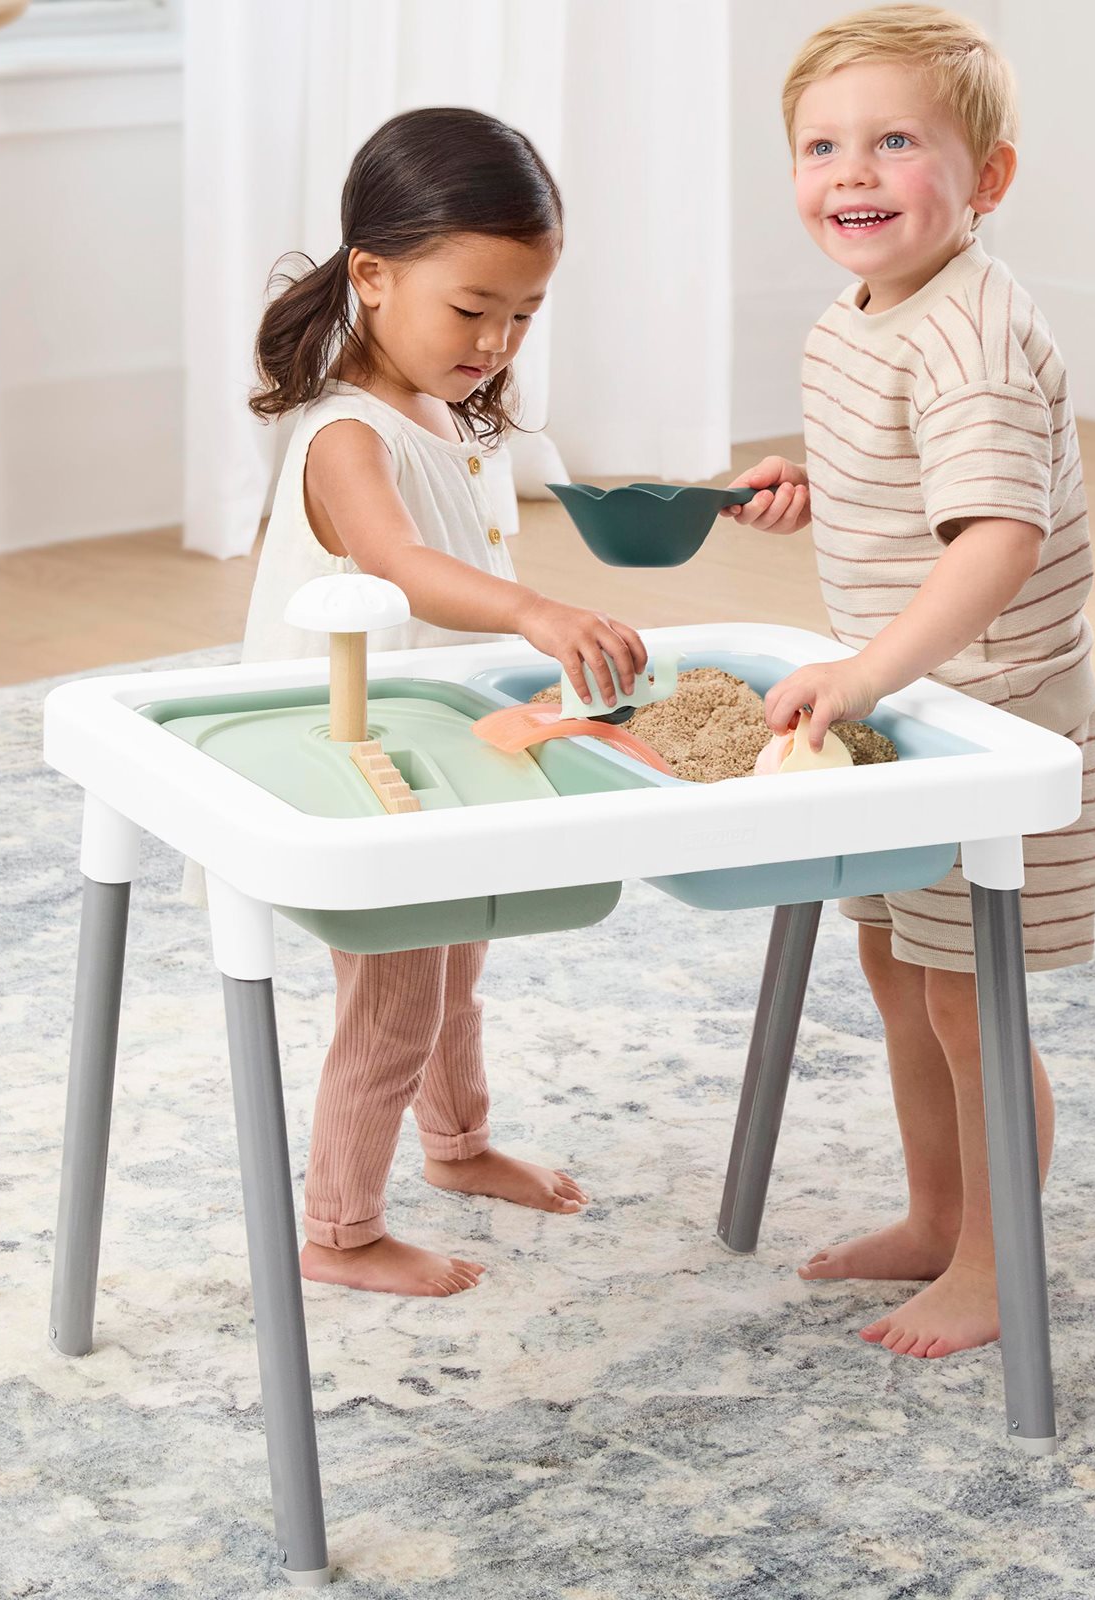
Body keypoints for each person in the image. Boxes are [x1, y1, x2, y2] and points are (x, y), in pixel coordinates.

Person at [726, 5, 1095, 1357]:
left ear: (987, 179)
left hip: (993, 714)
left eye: (896, 143)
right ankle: (940, 1217)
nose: (854, 173)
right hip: (909, 700)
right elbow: (922, 486)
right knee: (897, 965)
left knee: (968, 994)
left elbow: (998, 537)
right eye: (822, 146)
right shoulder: (865, 313)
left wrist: (867, 670)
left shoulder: (974, 339)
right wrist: (815, 497)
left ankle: (1000, 1263)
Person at [242, 107, 646, 1297]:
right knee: (394, 1003)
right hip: (352, 769)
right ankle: (339, 1228)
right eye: (472, 310)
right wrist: (532, 615)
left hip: (436, 757)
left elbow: (489, 509)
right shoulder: (343, 437)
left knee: (453, 968)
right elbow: (402, 564)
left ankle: (459, 1146)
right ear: (371, 275)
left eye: (521, 315)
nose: (497, 340)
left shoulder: (434, 413)